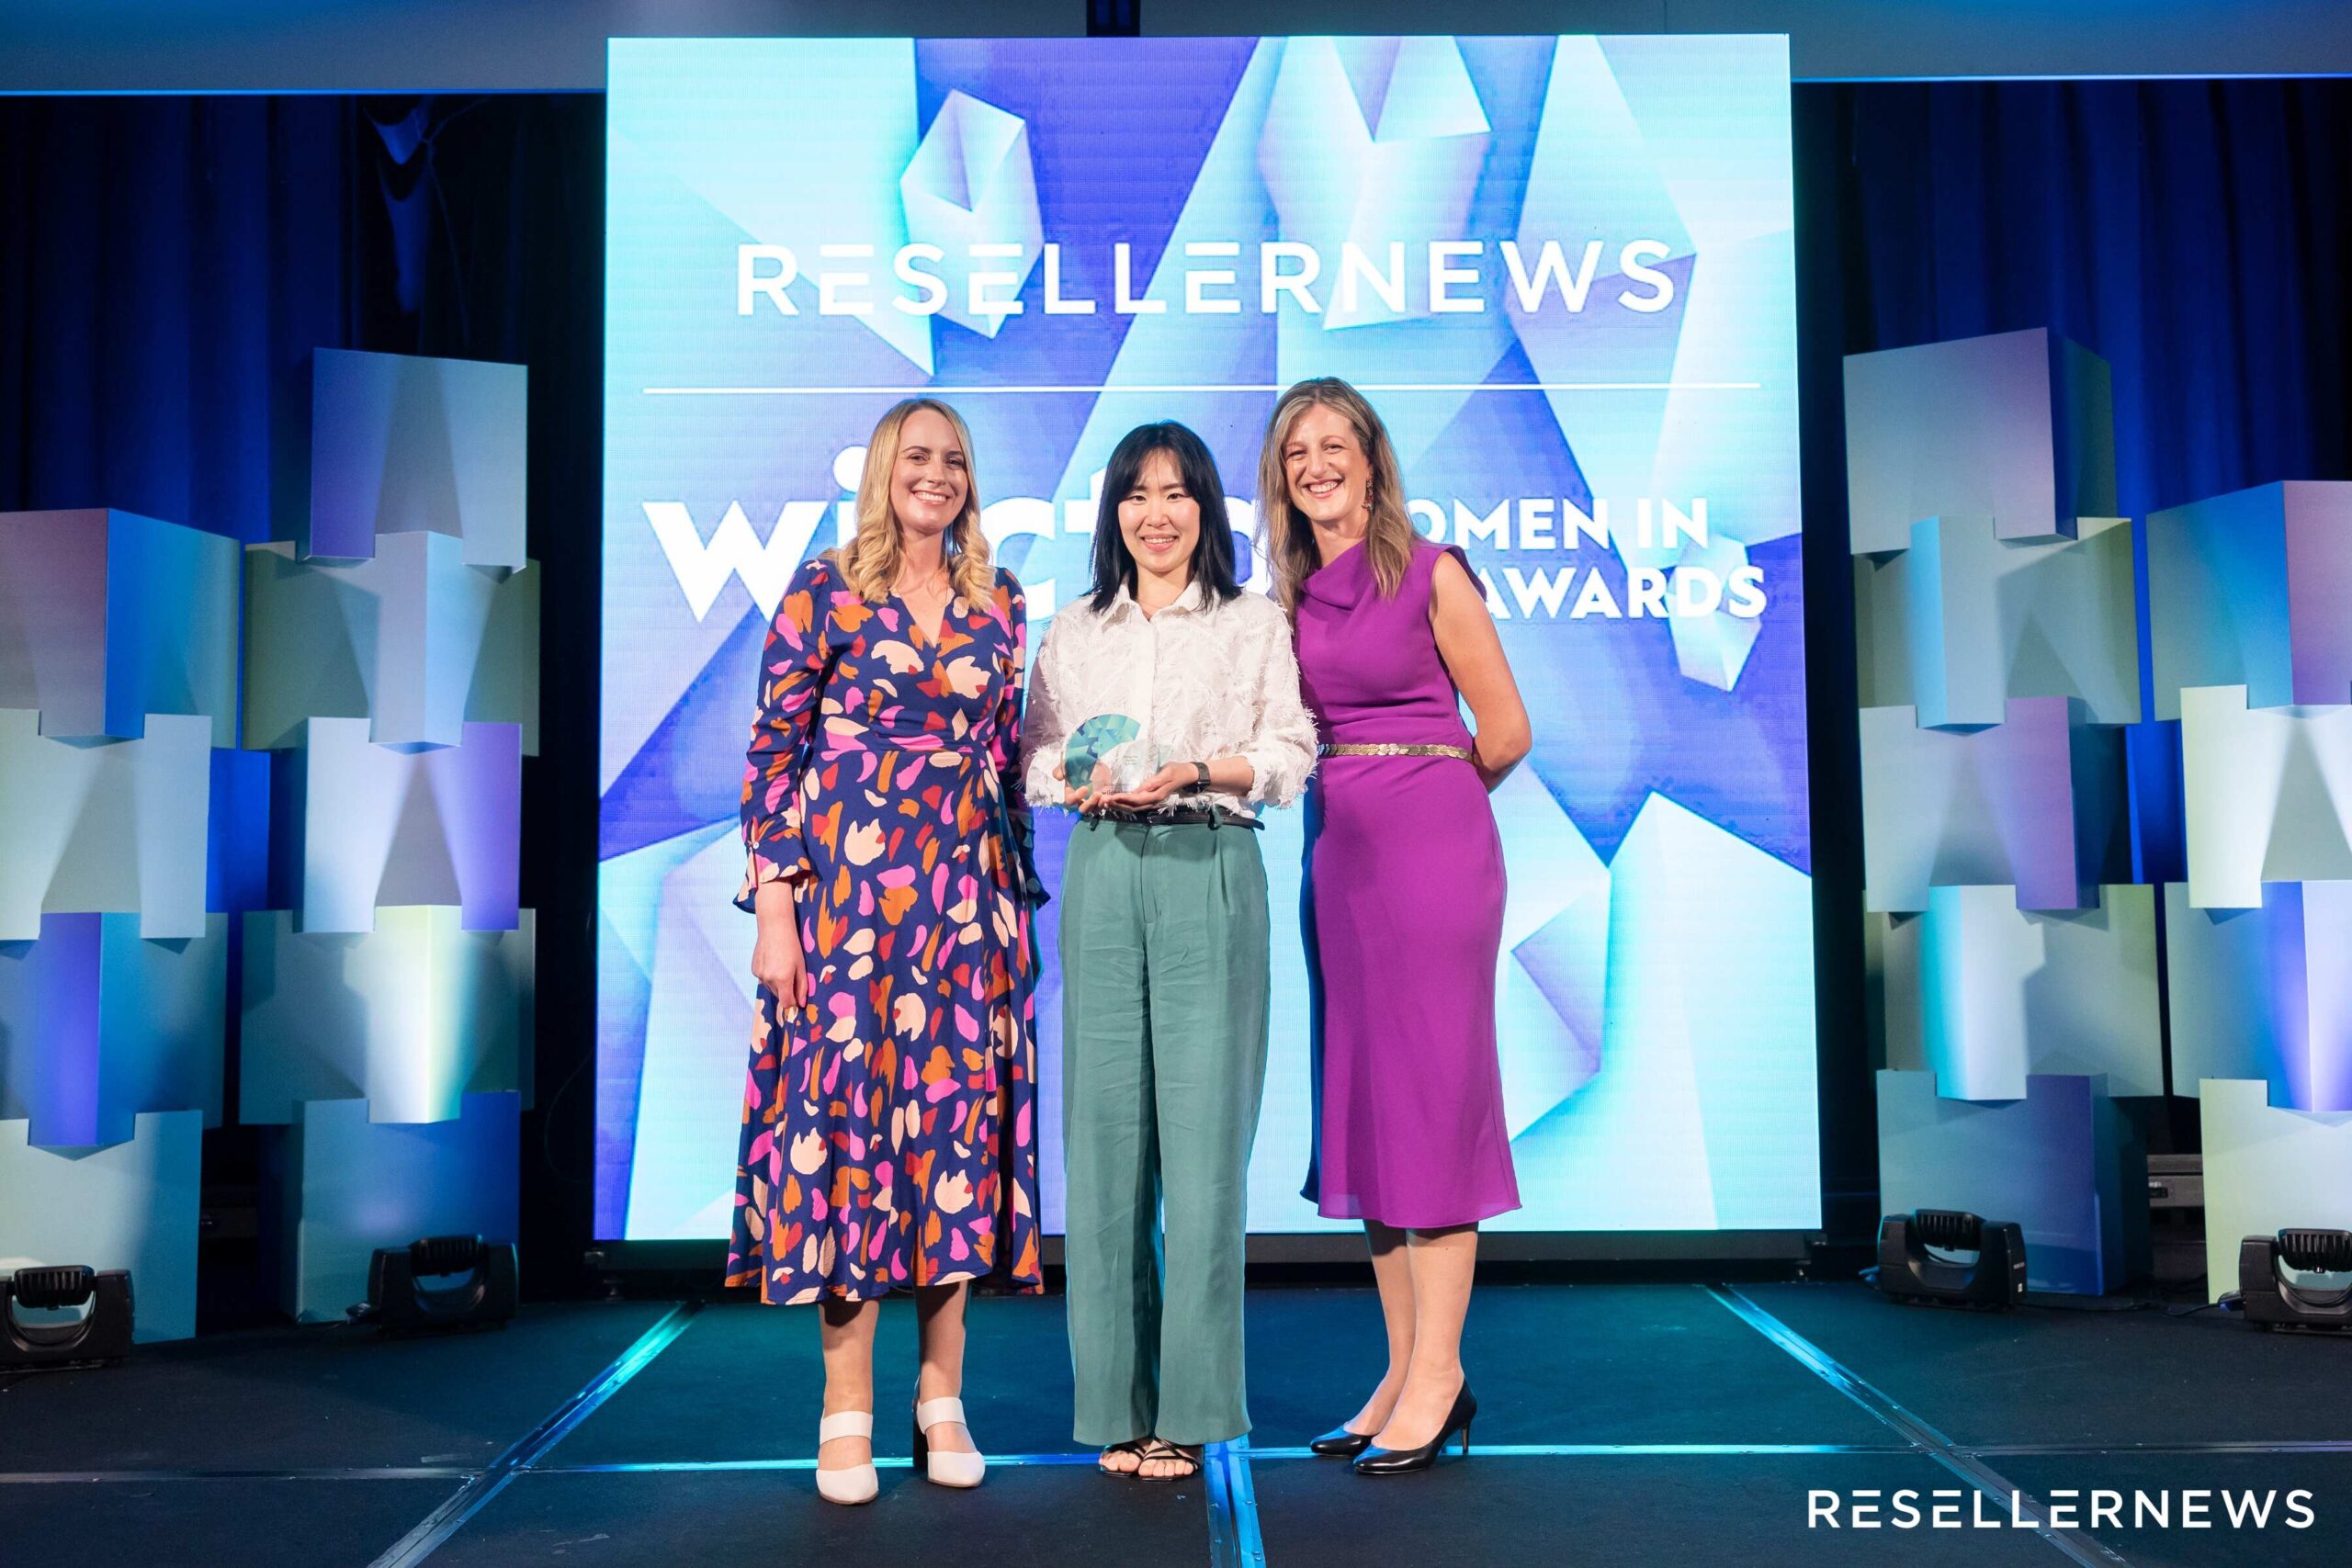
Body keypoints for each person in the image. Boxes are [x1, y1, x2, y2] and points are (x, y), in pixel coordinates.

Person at [725, 398, 1042, 1506]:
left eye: (955, 460)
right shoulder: (824, 588)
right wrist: (773, 908)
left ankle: (942, 1398)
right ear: (880, 472)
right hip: (846, 917)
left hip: (964, 913)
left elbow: (1007, 765)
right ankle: (845, 1410)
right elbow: (771, 753)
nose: (938, 475)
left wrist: (1017, 907)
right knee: (847, 1145)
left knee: (954, 1144)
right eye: (918, 458)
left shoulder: (998, 600)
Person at [1021, 421, 1317, 1485]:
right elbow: (1034, 757)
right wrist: (1076, 779)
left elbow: (1292, 751)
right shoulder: (1073, 627)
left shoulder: (1250, 622)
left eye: (1178, 493)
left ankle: (1189, 1410)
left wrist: (1198, 765)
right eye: (1137, 494)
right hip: (1103, 870)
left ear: (1206, 509)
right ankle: (1113, 1405)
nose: (1157, 513)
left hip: (1210, 866)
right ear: (1113, 513)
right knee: (1103, 1151)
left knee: (1202, 1156)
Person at [1257, 377, 1532, 1475]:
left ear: (1372, 460)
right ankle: (1403, 1368)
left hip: (1430, 860)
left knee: (1432, 1105)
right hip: (1340, 860)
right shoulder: (1288, 595)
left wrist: (1431, 812)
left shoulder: (1432, 572)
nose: (1317, 464)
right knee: (1370, 1111)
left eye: (1335, 444)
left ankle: (1441, 1377)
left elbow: (1504, 732)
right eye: (1296, 452)